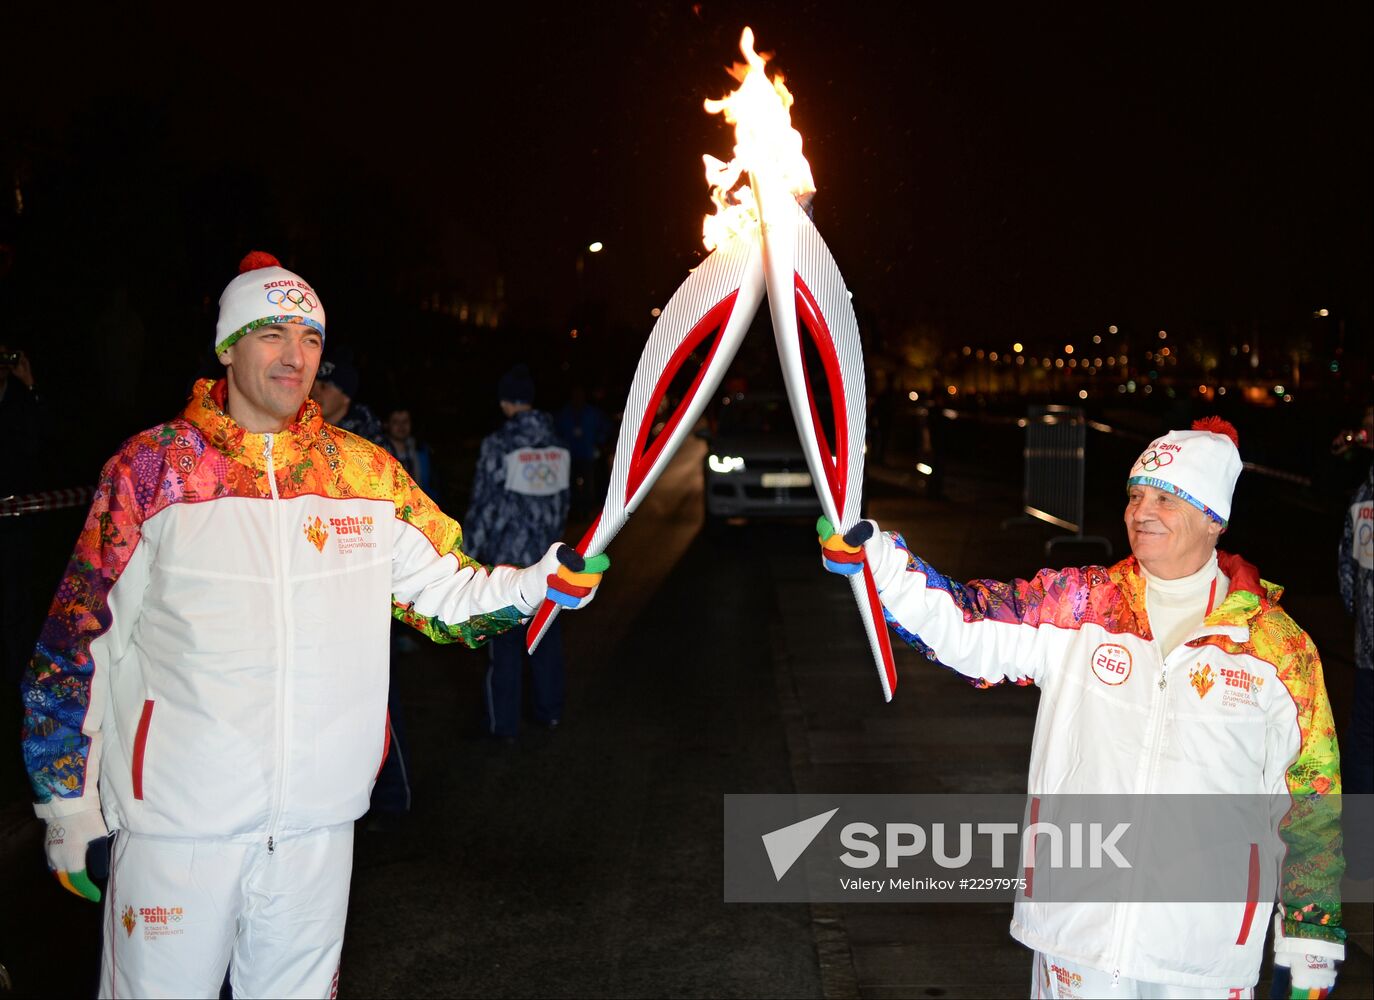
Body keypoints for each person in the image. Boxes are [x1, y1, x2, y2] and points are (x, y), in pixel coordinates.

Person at [20, 252, 608, 998]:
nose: (295, 356)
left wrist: (537, 585)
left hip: (317, 829)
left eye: (310, 336)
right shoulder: (151, 473)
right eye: (271, 334)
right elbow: (74, 647)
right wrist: (67, 807)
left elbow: (446, 594)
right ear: (228, 346)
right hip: (176, 830)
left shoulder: (364, 474)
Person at [820, 417, 1343, 999]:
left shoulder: (1278, 648)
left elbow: (1312, 806)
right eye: (1136, 494)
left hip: (1205, 954)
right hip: (1076, 939)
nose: (1142, 511)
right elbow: (968, 626)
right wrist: (885, 566)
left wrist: (1310, 947)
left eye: (1167, 498)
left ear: (1213, 518)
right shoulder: (1084, 604)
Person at [463, 364, 572, 740]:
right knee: (545, 639)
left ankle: (502, 725)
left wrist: (468, 557)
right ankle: (549, 712)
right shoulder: (558, 444)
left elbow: (485, 506)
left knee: (505, 647)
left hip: (508, 568)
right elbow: (563, 503)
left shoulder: (499, 445)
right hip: (549, 564)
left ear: (506, 402)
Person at [1336, 404, 1373, 876]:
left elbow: (1346, 571)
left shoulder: (1361, 496)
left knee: (1363, 745)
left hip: (1367, 649)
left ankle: (1362, 853)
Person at [555, 384, 610, 520]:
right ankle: (575, 511)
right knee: (572, 485)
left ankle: (587, 511)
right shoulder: (564, 414)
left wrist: (599, 440)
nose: (578, 398)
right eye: (575, 396)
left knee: (589, 486)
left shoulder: (592, 413)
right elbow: (557, 432)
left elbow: (605, 426)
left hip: (587, 455)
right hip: (570, 456)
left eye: (580, 395)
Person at [311, 350, 384, 444]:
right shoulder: (301, 425)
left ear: (346, 396)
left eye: (323, 387)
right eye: (312, 385)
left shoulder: (365, 439)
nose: (313, 393)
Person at [383, 405, 437, 497]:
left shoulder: (421, 451)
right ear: (386, 424)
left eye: (405, 421)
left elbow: (431, 486)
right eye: (395, 422)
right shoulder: (380, 453)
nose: (401, 426)